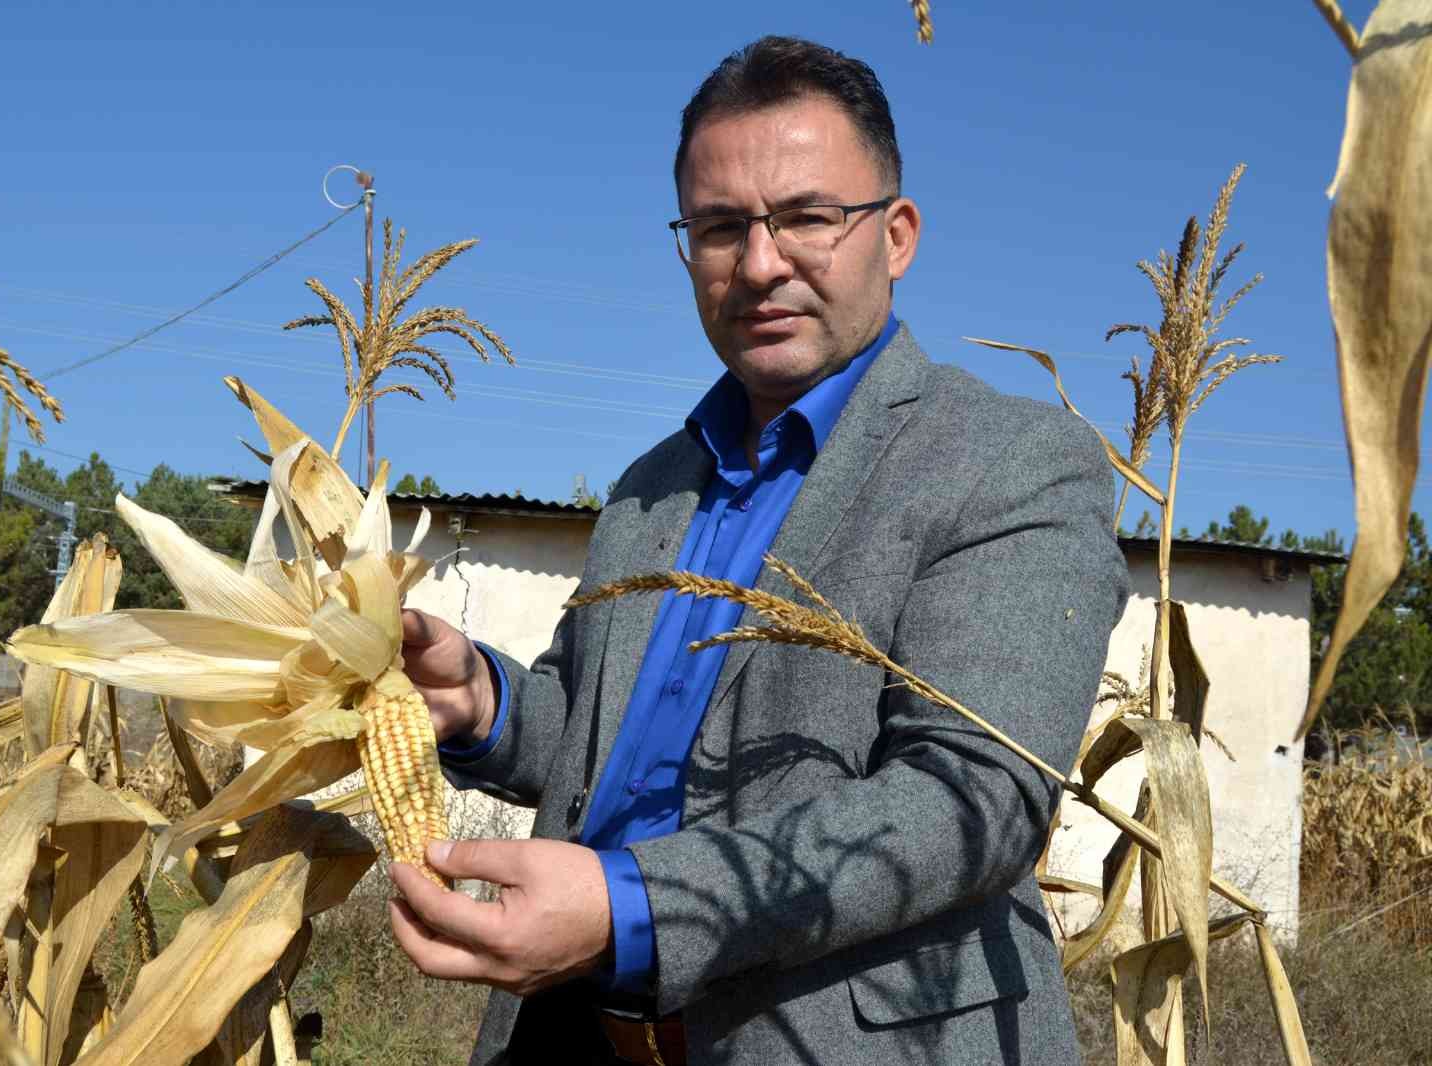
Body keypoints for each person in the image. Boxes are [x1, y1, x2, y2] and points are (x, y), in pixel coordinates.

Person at [385, 35, 1129, 1066]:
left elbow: (969, 800)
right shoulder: (653, 487)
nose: (761, 263)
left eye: (807, 217)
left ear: (896, 233)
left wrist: (628, 904)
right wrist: (480, 700)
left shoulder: (1007, 461)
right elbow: (599, 750)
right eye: (721, 227)